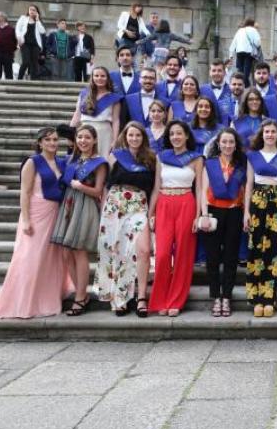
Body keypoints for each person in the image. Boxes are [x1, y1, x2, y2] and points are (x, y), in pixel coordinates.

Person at [0, 127, 71, 319]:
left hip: (55, 213)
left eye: (55, 140)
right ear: (39, 142)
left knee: (50, 258)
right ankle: (21, 303)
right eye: (48, 140)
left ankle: (47, 300)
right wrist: (26, 219)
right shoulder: (32, 162)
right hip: (35, 213)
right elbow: (25, 192)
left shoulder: (61, 162)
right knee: (29, 257)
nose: (52, 143)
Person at [95, 122, 156, 316]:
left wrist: (151, 211)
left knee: (144, 250)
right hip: (116, 203)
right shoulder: (116, 155)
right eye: (131, 135)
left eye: (138, 135)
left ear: (143, 137)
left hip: (139, 204)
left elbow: (155, 188)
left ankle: (141, 296)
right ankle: (119, 297)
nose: (134, 138)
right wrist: (104, 209)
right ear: (125, 136)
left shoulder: (150, 159)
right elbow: (105, 185)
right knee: (117, 249)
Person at [51, 124, 108, 316]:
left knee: (79, 251)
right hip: (68, 204)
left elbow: (98, 191)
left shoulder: (99, 162)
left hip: (85, 205)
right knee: (66, 252)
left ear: (94, 140)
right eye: (80, 137)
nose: (83, 141)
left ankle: (80, 297)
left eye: (87, 138)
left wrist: (80, 186)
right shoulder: (72, 160)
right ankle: (80, 293)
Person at [148, 120, 203, 316]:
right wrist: (150, 214)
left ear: (187, 136)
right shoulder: (161, 157)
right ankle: (160, 299)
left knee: (183, 254)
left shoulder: (196, 158)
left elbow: (200, 189)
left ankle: (176, 301)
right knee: (162, 255)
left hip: (186, 203)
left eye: (179, 133)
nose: (176, 137)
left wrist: (198, 215)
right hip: (164, 203)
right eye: (172, 134)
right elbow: (155, 187)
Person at [244, 120, 277, 317]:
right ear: (261, 134)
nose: (270, 135)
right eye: (267, 132)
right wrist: (246, 212)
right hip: (256, 202)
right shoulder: (252, 156)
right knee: (255, 250)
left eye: (273, 131)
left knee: (273, 252)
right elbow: (248, 184)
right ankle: (255, 299)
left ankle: (268, 298)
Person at [199, 128, 246, 317]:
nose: (227, 145)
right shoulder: (209, 164)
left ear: (236, 145)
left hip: (234, 212)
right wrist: (204, 214)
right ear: (218, 144)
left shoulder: (241, 165)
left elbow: (244, 189)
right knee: (212, 257)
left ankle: (226, 296)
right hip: (213, 212)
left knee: (230, 257)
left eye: (231, 142)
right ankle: (215, 297)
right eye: (224, 142)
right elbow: (203, 190)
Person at [70, 66, 122, 158]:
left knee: (102, 159)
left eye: (102, 76)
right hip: (84, 130)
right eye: (96, 76)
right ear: (92, 78)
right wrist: (70, 133)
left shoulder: (114, 98)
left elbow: (116, 120)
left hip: (104, 132)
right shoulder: (84, 94)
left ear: (107, 78)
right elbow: (77, 114)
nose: (99, 78)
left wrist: (115, 140)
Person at [16, 5, 45, 80]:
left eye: (34, 10)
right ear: (28, 11)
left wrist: (37, 20)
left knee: (34, 63)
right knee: (26, 61)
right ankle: (19, 79)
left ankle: (33, 80)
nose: (32, 11)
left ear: (37, 12)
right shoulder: (23, 18)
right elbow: (17, 29)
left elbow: (42, 31)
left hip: (35, 45)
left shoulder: (38, 21)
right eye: (30, 9)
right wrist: (19, 37)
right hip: (25, 43)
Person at [228, 19, 261, 87]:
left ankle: (242, 84)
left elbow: (234, 43)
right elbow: (258, 43)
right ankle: (246, 86)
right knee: (246, 71)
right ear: (252, 24)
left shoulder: (240, 30)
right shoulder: (253, 30)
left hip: (239, 52)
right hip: (249, 52)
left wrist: (230, 55)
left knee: (240, 71)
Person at [0, 11, 17, 80]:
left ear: (3, 17)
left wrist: (11, 50)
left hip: (8, 52)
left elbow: (15, 41)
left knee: (8, 71)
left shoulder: (11, 29)